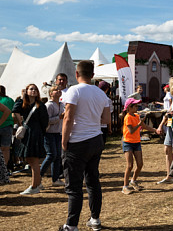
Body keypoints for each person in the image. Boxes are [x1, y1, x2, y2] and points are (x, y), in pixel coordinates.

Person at [60, 60, 111, 231]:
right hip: (96, 139)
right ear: (93, 75)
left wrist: (64, 140)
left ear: (76, 74)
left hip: (78, 141)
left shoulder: (74, 90)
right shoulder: (101, 94)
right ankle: (95, 218)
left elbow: (67, 118)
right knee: (93, 181)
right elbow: (106, 120)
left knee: (74, 187)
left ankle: (71, 225)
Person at [12, 83, 49, 195]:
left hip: (35, 132)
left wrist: (40, 132)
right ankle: (38, 183)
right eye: (30, 89)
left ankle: (34, 186)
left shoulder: (40, 105)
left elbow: (45, 121)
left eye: (35, 89)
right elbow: (15, 109)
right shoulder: (25, 104)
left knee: (34, 161)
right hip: (28, 132)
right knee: (30, 160)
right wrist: (22, 97)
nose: (33, 91)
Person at [121, 98, 155, 195]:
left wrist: (155, 130)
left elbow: (144, 127)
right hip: (128, 143)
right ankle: (125, 186)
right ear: (129, 108)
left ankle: (133, 181)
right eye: (135, 106)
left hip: (136, 142)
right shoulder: (127, 117)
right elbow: (131, 131)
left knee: (140, 164)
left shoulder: (136, 116)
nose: (137, 107)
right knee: (130, 165)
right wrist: (139, 124)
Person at [40, 86, 64, 187]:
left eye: (59, 90)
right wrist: (59, 117)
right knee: (51, 155)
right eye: (55, 90)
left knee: (58, 156)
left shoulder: (62, 104)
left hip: (58, 133)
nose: (58, 91)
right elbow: (46, 120)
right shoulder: (49, 105)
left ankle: (55, 179)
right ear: (50, 93)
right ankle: (38, 177)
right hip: (49, 133)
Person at [0, 85, 15, 173]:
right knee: (6, 148)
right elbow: (13, 111)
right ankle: (3, 169)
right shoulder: (9, 100)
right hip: (7, 125)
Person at [97, 81, 113, 145]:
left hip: (93, 124)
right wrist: (109, 128)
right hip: (103, 125)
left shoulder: (93, 97)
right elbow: (109, 115)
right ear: (107, 89)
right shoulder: (107, 100)